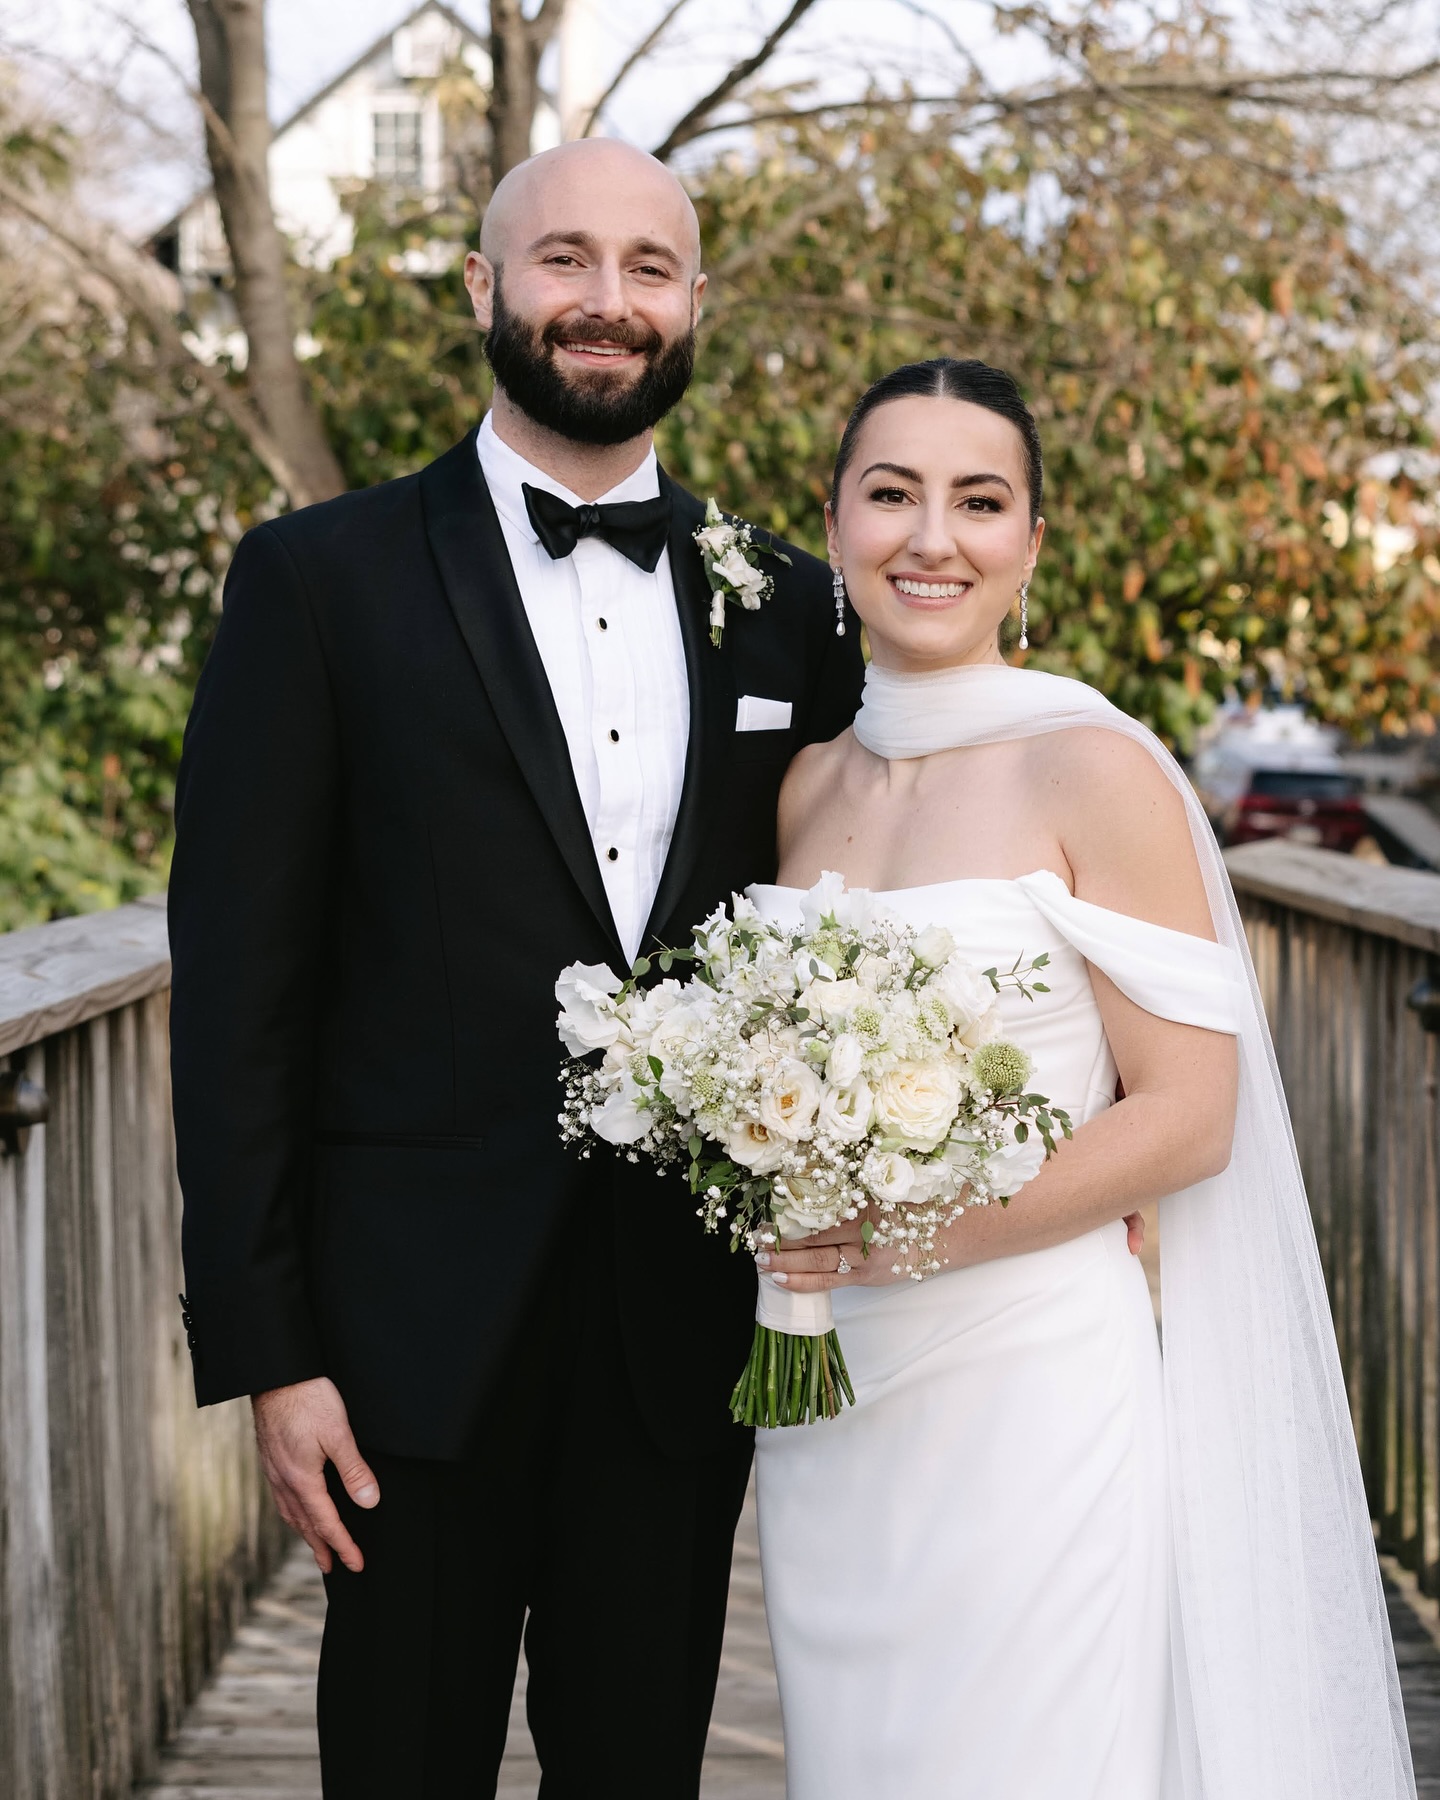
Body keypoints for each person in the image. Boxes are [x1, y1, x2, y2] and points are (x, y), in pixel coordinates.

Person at [166, 139, 864, 1798]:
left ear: (695, 301)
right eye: (563, 260)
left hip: (678, 1341)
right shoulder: (316, 583)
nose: (604, 303)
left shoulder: (794, 611)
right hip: (403, 1352)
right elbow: (239, 997)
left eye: (644, 266)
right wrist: (273, 1352)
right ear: (485, 288)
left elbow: (893, 907)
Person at [749, 359, 1415, 1798]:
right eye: (893, 493)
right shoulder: (808, 787)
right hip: (836, 1403)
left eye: (980, 502)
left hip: (1029, 1385)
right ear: (834, 520)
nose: (934, 537)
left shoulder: (1090, 770)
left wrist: (915, 1235)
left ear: (1030, 547)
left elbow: (1190, 1114)